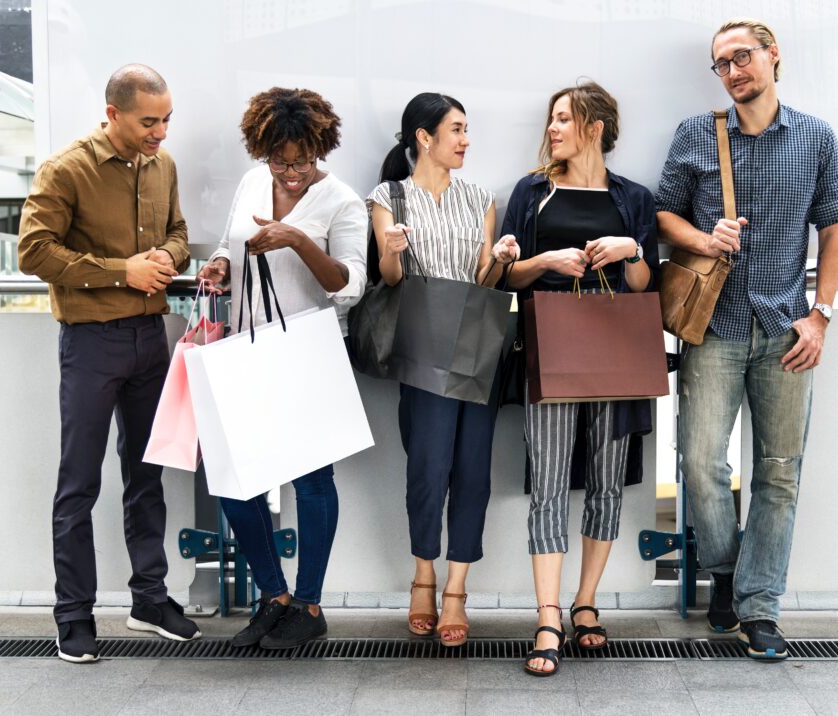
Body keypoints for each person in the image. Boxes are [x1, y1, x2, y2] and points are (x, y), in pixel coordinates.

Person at [656, 18, 838, 660]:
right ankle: (726, 572)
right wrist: (704, 238)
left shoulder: (817, 137)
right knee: (701, 464)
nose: (734, 70)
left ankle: (759, 608)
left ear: (773, 58)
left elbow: (835, 227)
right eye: (722, 63)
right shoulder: (695, 134)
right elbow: (662, 214)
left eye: (743, 57)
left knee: (780, 471)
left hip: (787, 327)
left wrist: (820, 314)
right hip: (712, 326)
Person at [18, 64, 200, 663]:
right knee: (80, 482)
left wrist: (166, 257)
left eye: (167, 119)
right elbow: (34, 251)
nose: (162, 132)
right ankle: (72, 615)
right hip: (91, 342)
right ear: (113, 113)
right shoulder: (66, 168)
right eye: (150, 121)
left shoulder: (162, 166)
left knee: (147, 475)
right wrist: (125, 269)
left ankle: (149, 598)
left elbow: (178, 232)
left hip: (151, 338)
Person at [196, 87, 367, 650]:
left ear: (320, 148)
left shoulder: (342, 201)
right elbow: (229, 241)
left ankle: (309, 604)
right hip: (249, 351)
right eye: (279, 161)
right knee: (236, 483)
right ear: (262, 151)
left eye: (300, 162)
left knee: (312, 482)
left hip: (308, 356)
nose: (290, 173)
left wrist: (295, 238)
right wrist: (221, 263)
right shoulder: (252, 181)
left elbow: (351, 284)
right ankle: (275, 597)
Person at [499, 82, 660, 676]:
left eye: (565, 119)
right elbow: (506, 277)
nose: (553, 129)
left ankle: (585, 602)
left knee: (608, 482)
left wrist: (629, 251)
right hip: (550, 350)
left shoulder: (633, 198)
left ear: (595, 127)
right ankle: (547, 615)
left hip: (617, 354)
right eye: (551, 119)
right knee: (546, 482)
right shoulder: (531, 192)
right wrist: (545, 262)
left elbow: (646, 287)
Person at [367, 92, 516, 647]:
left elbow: (484, 281)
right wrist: (392, 249)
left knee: (473, 468)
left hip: (476, 342)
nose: (465, 140)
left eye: (467, 129)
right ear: (423, 137)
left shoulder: (479, 196)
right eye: (456, 129)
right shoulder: (389, 196)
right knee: (427, 465)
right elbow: (391, 278)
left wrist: (500, 257)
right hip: (422, 341)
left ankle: (457, 587)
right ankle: (423, 576)